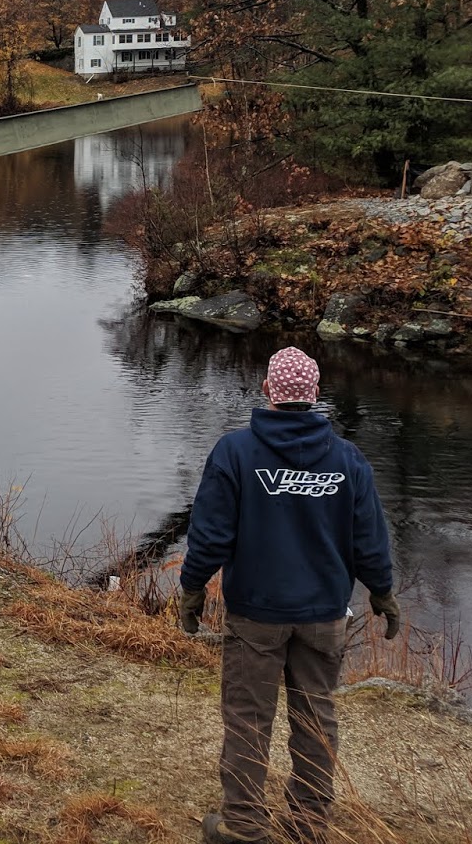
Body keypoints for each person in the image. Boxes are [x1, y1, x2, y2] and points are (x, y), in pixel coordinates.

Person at [180, 346, 397, 844]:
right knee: (316, 717)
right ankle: (307, 826)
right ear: (315, 394)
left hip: (256, 613)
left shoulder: (235, 452)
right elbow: (370, 537)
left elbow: (210, 535)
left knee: (248, 719)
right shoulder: (348, 459)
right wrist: (382, 590)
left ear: (268, 390)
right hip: (324, 615)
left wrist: (193, 587)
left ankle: (244, 827)